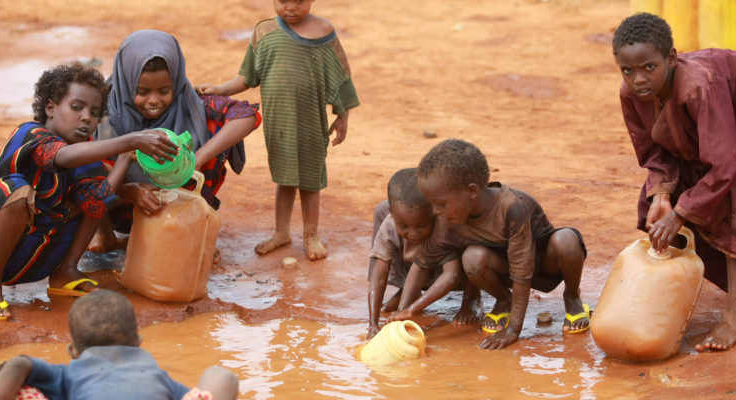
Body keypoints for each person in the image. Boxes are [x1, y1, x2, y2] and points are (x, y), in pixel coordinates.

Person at [612, 13, 736, 352]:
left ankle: (735, 316)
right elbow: (653, 152)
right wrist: (662, 195)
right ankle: (679, 292)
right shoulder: (630, 94)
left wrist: (681, 213)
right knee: (652, 207)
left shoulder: (700, 85)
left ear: (670, 58)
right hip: (715, 139)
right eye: (628, 70)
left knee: (733, 204)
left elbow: (724, 164)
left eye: (648, 68)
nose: (639, 79)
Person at [0, 63, 178, 320]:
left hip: (41, 255)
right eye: (77, 107)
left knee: (94, 196)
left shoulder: (84, 152)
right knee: (17, 190)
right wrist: (132, 139)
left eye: (94, 112)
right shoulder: (31, 134)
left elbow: (99, 200)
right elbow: (60, 157)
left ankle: (65, 270)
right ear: (50, 108)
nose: (87, 118)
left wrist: (124, 160)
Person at [196, 0, 360, 261]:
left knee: (311, 181)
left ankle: (311, 235)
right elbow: (247, 77)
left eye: (300, 1)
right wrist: (220, 89)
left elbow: (341, 77)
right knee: (284, 179)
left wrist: (343, 116)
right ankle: (281, 233)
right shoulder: (263, 32)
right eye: (284, 1)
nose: (291, 7)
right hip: (278, 122)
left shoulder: (323, 33)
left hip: (311, 122)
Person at [90, 29, 260, 252]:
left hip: (176, 203)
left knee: (212, 128)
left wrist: (198, 157)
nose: (154, 101)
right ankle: (103, 234)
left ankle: (191, 226)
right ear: (126, 82)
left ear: (176, 81)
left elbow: (245, 114)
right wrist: (129, 189)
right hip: (122, 208)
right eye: (142, 91)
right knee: (83, 154)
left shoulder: (189, 102)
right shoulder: (99, 110)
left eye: (164, 90)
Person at [414, 139, 589, 350]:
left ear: (471, 191)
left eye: (440, 204)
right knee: (472, 257)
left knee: (566, 240)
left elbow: (522, 270)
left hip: (542, 265)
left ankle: (572, 296)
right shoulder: (450, 220)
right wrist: (406, 310)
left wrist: (513, 330)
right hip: (504, 269)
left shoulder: (511, 207)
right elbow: (422, 263)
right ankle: (503, 299)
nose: (435, 212)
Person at [0, 290, 239, 400]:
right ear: (139, 342)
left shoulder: (68, 373)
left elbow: (17, 364)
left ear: (73, 351)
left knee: (19, 388)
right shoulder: (153, 373)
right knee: (220, 375)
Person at [367, 168, 482, 339]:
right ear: (392, 213)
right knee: (385, 249)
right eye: (404, 226)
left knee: (471, 248)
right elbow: (379, 275)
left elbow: (452, 274)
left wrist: (409, 310)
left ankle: (471, 297)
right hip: (421, 268)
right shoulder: (390, 225)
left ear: (434, 212)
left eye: (421, 225)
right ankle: (406, 290)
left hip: (453, 274)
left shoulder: (444, 226)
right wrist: (373, 324)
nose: (413, 233)